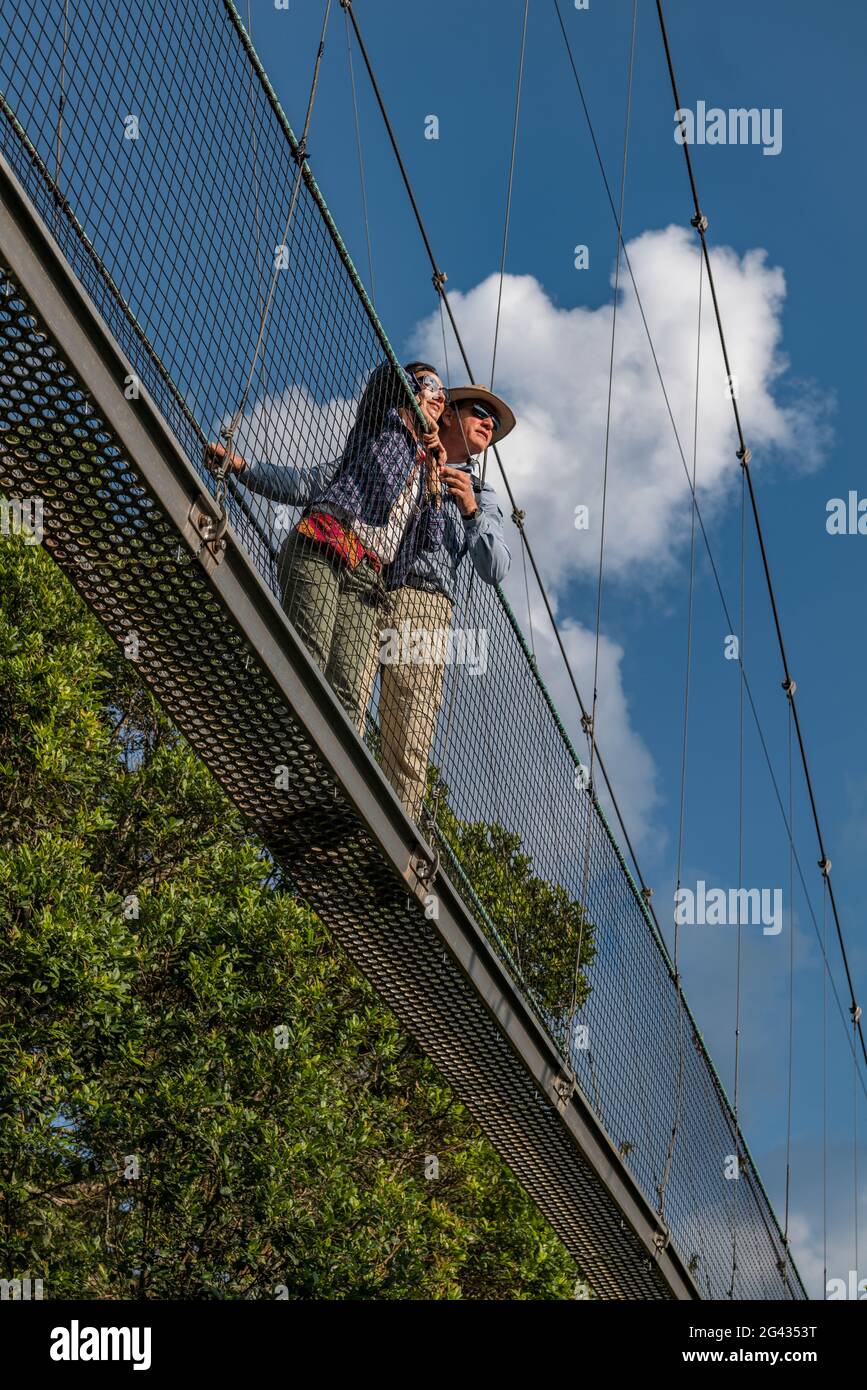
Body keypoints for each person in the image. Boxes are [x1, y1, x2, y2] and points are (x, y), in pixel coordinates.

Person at [205, 362, 448, 725]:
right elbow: (383, 380)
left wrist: (435, 476)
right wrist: (243, 468)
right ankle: (273, 739)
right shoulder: (378, 428)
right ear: (410, 392)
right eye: (431, 386)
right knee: (309, 655)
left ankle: (320, 779)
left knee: (348, 697)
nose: (440, 396)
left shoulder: (428, 467)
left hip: (368, 580)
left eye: (443, 393)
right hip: (324, 544)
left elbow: (431, 539)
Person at [362, 384, 516, 821]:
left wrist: (468, 507)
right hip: (369, 581)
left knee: (408, 739)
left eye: (494, 422)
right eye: (481, 412)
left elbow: (496, 568)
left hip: (426, 607)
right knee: (342, 701)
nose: (489, 422)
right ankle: (334, 802)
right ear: (447, 415)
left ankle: (394, 835)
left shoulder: (481, 493)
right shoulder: (403, 451)